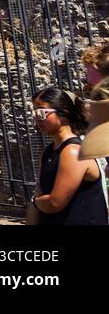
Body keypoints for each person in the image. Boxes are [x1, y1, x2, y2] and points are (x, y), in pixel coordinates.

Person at [26, 86, 107, 225]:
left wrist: (35, 202)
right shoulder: (49, 151)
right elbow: (39, 191)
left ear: (64, 113)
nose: (36, 118)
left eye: (41, 112)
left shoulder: (73, 151)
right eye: (34, 113)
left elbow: (55, 203)